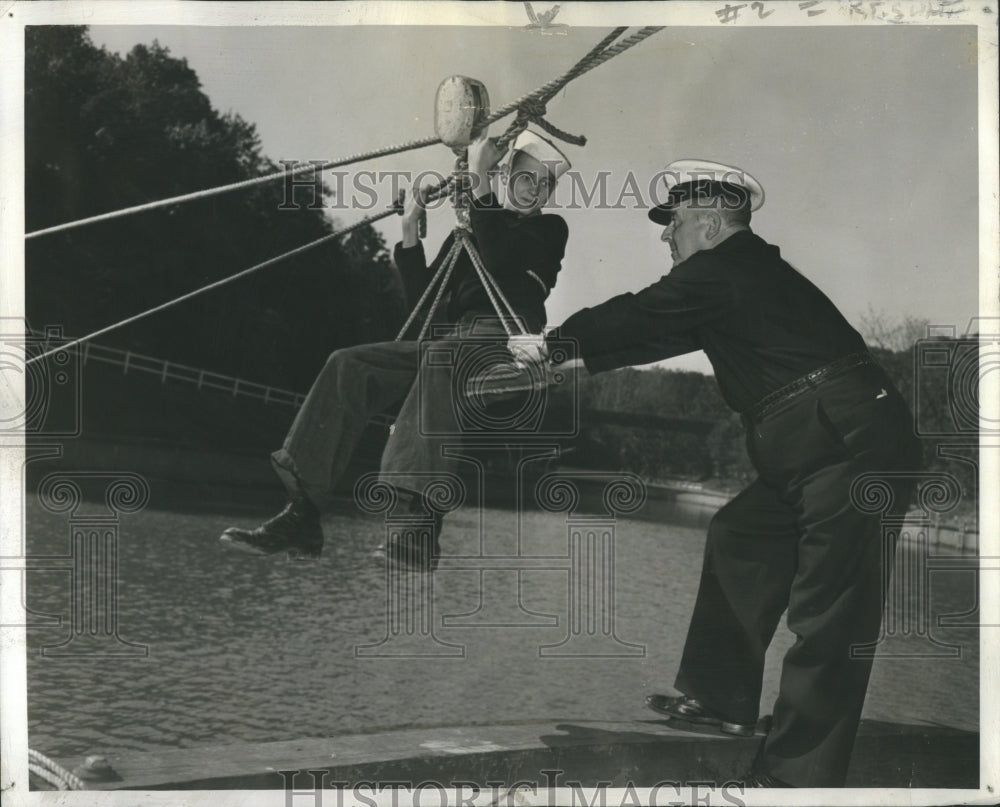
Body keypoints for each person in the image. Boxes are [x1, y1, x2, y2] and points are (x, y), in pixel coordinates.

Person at [521, 159, 922, 787]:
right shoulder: (737, 280)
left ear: (709, 223)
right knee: (741, 535)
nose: (666, 236)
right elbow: (649, 337)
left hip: (848, 447)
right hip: (818, 445)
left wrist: (549, 344)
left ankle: (796, 782)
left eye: (674, 223)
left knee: (831, 616)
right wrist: (566, 359)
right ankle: (722, 703)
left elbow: (643, 311)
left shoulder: (726, 268)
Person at [218, 129, 571, 570]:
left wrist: (478, 180)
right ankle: (302, 513)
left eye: (544, 185)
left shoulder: (549, 230)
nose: (534, 191)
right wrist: (409, 228)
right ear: (507, 177)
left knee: (440, 359)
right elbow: (423, 309)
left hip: (507, 343)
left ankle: (419, 527)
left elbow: (501, 264)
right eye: (526, 179)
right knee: (348, 364)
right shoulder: (473, 232)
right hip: (451, 342)